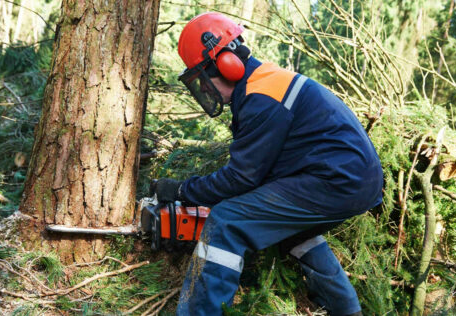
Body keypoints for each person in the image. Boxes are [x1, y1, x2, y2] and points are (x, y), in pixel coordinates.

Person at [154, 12, 383, 316]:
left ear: (225, 64)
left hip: (336, 180)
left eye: (204, 80)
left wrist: (182, 189)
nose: (206, 90)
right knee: (294, 233)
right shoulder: (264, 84)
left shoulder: (263, 96)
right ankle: (347, 310)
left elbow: (241, 178)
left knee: (227, 222)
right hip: (352, 179)